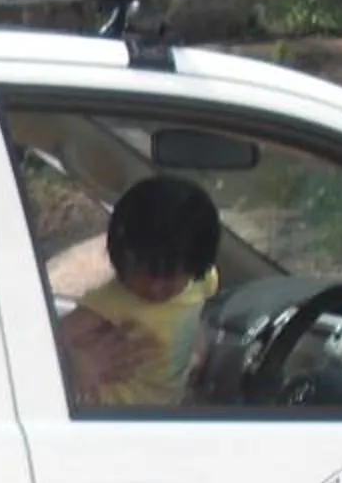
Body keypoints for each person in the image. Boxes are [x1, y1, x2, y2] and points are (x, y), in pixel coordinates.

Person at [60, 175, 221, 408]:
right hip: (115, 413)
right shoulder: (113, 300)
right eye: (143, 273)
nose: (155, 288)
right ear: (120, 257)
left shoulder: (202, 281)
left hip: (164, 408)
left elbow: (194, 313)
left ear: (196, 265)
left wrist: (196, 349)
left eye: (168, 277)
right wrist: (77, 362)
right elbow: (53, 337)